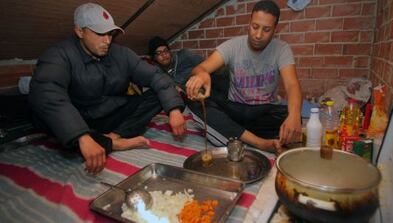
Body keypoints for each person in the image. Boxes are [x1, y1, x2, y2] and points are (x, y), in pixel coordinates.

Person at [29, 3, 186, 174]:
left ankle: (115, 136)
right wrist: (81, 136)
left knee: (159, 94)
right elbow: (48, 92)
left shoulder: (122, 54)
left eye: (110, 33)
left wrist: (174, 110)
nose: (107, 40)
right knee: (47, 119)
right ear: (80, 31)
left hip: (112, 114)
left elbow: (156, 76)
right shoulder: (58, 54)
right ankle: (111, 143)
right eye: (100, 33)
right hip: (82, 120)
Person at [185, 0, 302, 153]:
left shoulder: (282, 49)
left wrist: (294, 114)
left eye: (266, 29)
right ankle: (260, 143)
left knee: (295, 119)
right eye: (255, 27)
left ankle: (232, 134)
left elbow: (292, 85)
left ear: (275, 29)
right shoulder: (232, 46)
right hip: (236, 110)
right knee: (193, 99)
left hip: (264, 113)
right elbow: (200, 67)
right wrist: (201, 74)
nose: (258, 35)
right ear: (249, 23)